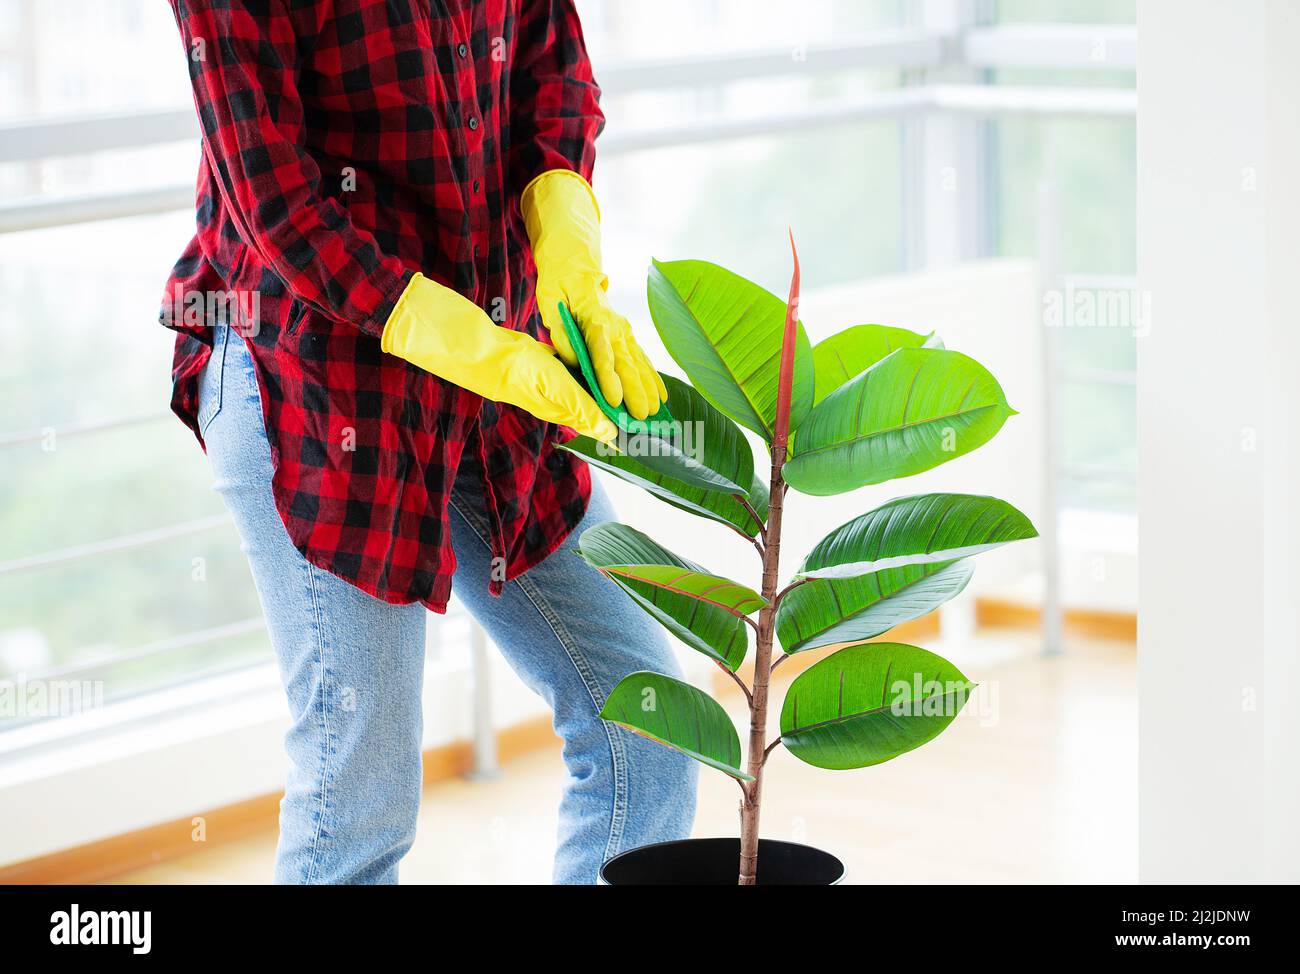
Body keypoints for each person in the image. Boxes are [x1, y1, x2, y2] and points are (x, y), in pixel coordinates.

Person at [160, 0, 696, 884]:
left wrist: (564, 234)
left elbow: (552, 72)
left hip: (499, 363)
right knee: (359, 802)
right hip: (316, 378)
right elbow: (281, 207)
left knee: (650, 722)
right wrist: (464, 344)